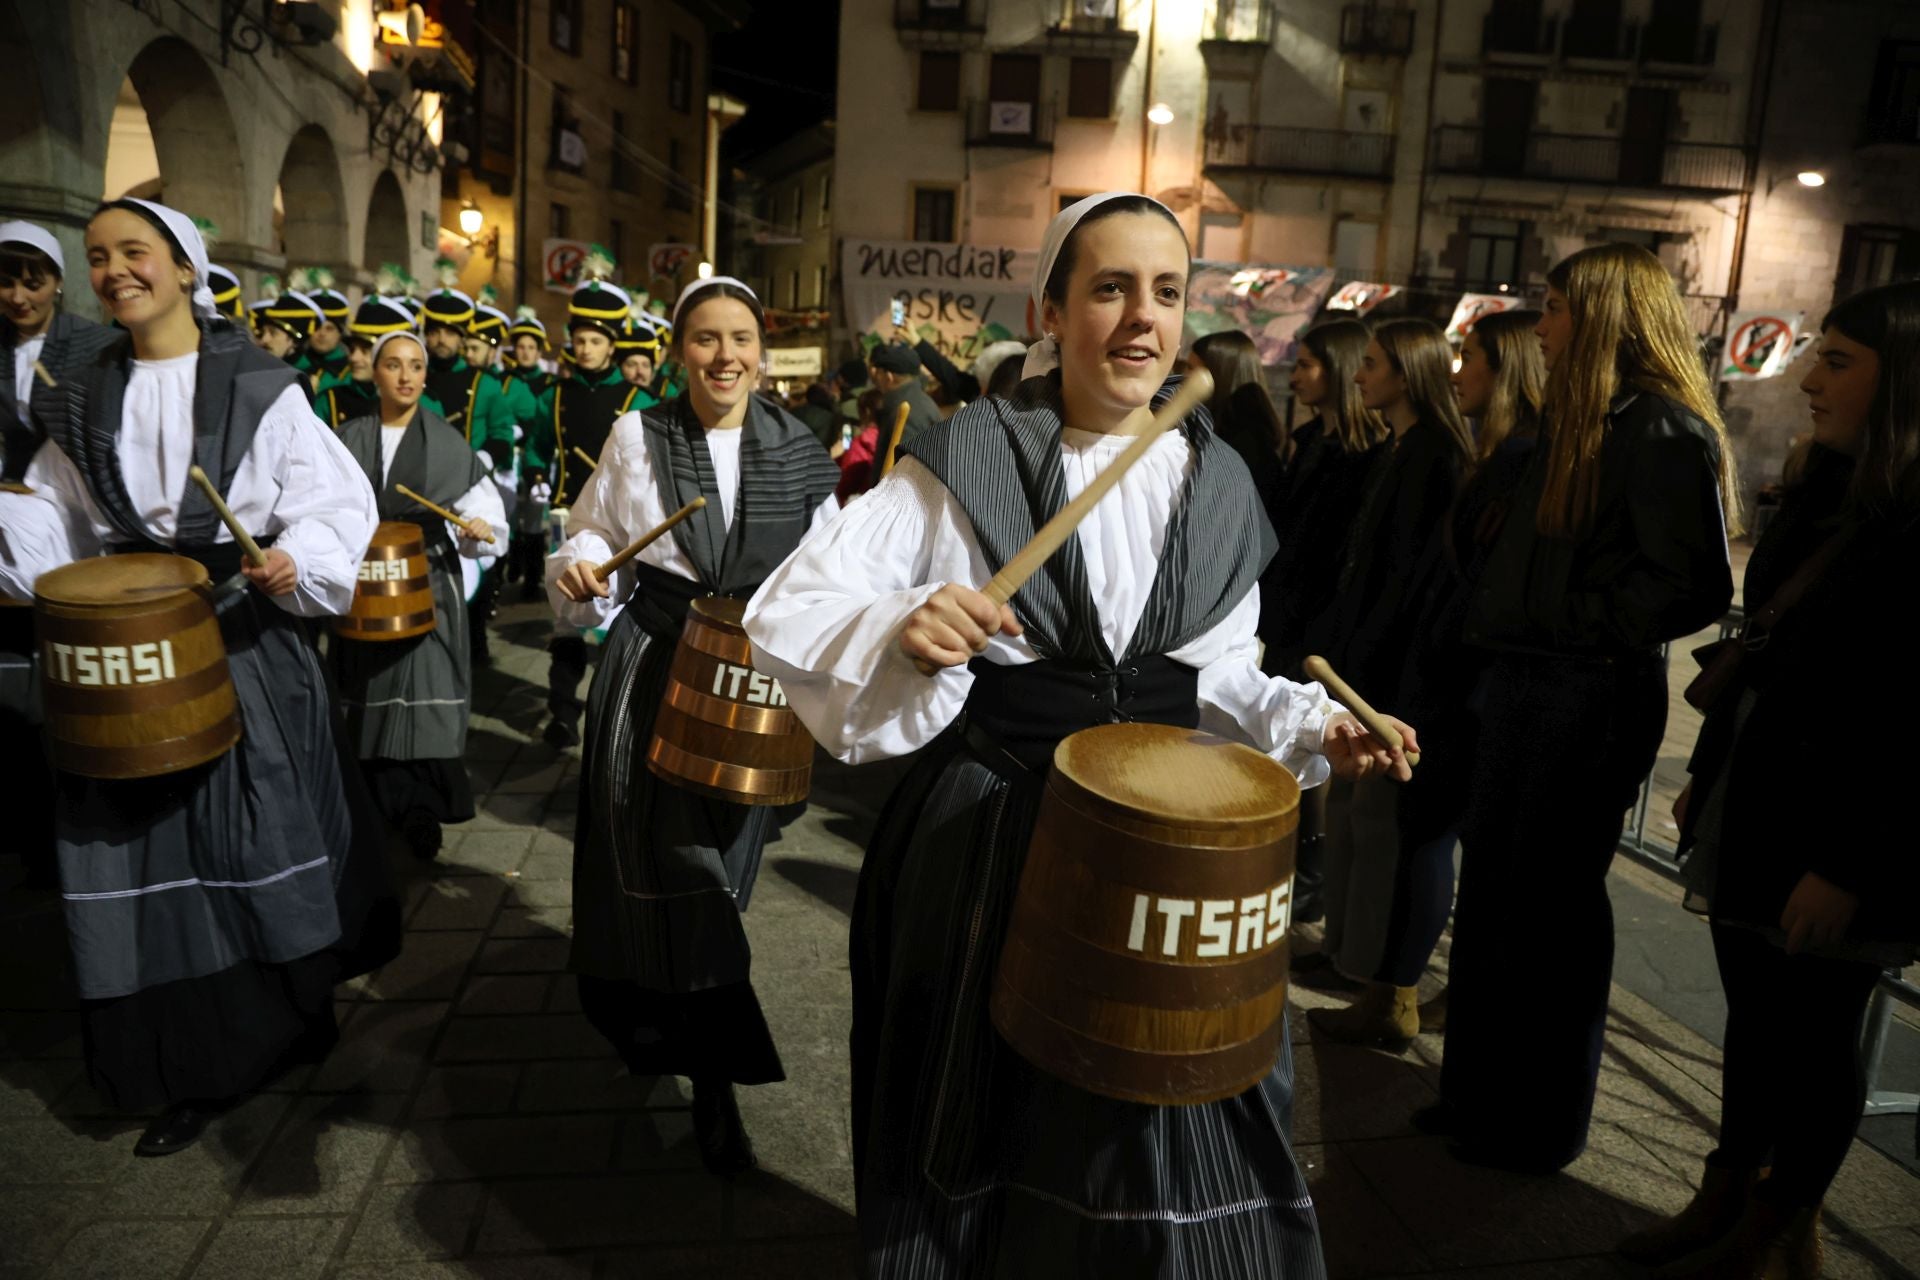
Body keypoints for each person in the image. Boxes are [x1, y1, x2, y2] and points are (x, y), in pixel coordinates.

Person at [744, 192, 1413, 1277]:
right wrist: (902, 622)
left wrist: (1316, 723)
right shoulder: (969, 456)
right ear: (1049, 309)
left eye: (1165, 292)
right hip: (993, 841)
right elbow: (792, 606)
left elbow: (1222, 675)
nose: (1142, 319)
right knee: (982, 1112)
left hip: (1166, 861)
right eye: (1109, 288)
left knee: (1170, 1124)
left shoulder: (1220, 480)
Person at [0, 197, 398, 1156]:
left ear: (185, 268)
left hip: (236, 638)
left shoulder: (257, 383)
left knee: (245, 830)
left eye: (134, 252)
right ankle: (183, 1057)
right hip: (128, 648)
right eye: (97, 257)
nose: (114, 271)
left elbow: (336, 504)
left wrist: (295, 557)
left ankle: (274, 1028)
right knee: (144, 848)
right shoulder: (81, 388)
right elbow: (58, 516)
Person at [1618, 282, 1920, 1278]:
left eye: (1837, 362)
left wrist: (1850, 864)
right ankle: (1729, 1190)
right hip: (1764, 795)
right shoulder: (1824, 483)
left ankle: (1784, 1217)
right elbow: (1759, 646)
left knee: (1819, 1025)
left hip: (1845, 829)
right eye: (1816, 356)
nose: (1807, 378)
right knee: (1755, 1013)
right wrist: (1709, 775)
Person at [1423, 243, 1739, 1173]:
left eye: (1555, 307)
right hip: (1527, 683)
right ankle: (1473, 1097)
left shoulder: (1661, 429)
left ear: (1600, 314)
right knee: (1493, 899)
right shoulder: (1582, 420)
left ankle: (1538, 1125)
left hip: (1585, 695)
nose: (1543, 325)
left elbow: (1689, 584)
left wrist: (1575, 625)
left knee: (1549, 912)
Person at [547, 276, 841, 1176]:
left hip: (755, 675)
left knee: (726, 864)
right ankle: (714, 1073)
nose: (725, 357)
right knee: (677, 867)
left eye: (741, 338)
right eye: (706, 340)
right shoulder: (641, 435)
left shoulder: (799, 447)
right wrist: (580, 568)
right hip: (657, 660)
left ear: (763, 349)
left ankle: (685, 1028)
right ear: (678, 353)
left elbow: (831, 570)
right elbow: (593, 532)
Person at [1301, 318, 1474, 1044]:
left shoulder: (1436, 455)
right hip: (1367, 659)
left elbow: (1407, 581)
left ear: (1408, 371)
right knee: (1357, 825)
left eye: (1372, 363)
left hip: (1397, 671)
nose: (1360, 375)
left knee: (1388, 832)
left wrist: (1369, 655)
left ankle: (1377, 975)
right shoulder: (1400, 449)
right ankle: (1354, 957)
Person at [1383, 308, 1546, 1036]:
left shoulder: (1520, 459)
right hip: (1455, 678)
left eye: (1471, 356)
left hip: (1469, 688)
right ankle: (1403, 992)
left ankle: (1401, 996)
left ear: (1506, 366)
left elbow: (1482, 587)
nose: (1457, 372)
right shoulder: (1499, 453)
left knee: (1436, 839)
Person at [330, 329, 507, 859]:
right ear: (375, 372)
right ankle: (372, 806)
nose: (405, 376)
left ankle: (422, 811)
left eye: (415, 366)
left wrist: (476, 529)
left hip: (428, 581)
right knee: (366, 692)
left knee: (426, 689)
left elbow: (488, 516)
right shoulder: (345, 438)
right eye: (393, 365)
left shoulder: (449, 444)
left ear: (425, 376)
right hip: (364, 584)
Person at [1256, 319, 1388, 927]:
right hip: (1288, 617)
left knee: (1319, 755)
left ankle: (1312, 877)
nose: (1298, 374)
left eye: (1309, 364)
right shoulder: (1311, 440)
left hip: (1323, 625)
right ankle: (1298, 871)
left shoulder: (1364, 456)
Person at [1, 219, 118, 887]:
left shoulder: (94, 344)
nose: (19, 297)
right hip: (16, 526)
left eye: (33, 281)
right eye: (7, 282)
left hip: (83, 516)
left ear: (58, 283)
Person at [527, 277, 653, 747]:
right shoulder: (554, 395)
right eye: (579, 340)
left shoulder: (637, 401)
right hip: (565, 512)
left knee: (614, 614)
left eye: (596, 341)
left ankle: (611, 709)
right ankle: (562, 710)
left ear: (612, 345)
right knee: (565, 613)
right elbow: (540, 443)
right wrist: (536, 470)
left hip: (617, 523)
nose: (585, 348)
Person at [313, 296, 441, 430]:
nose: (354, 358)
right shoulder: (330, 399)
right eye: (352, 349)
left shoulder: (424, 403)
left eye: (366, 350)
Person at [1189, 328, 1286, 499]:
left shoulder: (1239, 443)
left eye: (1191, 369)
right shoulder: (1222, 426)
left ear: (1218, 374)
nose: (1184, 377)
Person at [502, 308, 555, 600]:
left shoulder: (548, 383)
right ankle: (511, 567)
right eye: (520, 347)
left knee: (534, 518)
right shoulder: (505, 380)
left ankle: (532, 579)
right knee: (509, 516)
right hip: (509, 459)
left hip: (536, 458)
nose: (525, 352)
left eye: (531, 347)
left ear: (539, 351)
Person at [867, 341, 941, 455]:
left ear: (889, 376)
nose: (876, 378)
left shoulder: (904, 413)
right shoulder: (919, 401)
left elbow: (904, 467)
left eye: (879, 373)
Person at [292, 269, 353, 391]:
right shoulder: (294, 363)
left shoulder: (351, 370)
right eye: (317, 327)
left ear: (340, 333)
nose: (322, 334)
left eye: (329, 329)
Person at [254, 288, 324, 382]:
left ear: (294, 341)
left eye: (273, 333)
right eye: (263, 333)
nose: (264, 340)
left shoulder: (306, 379)